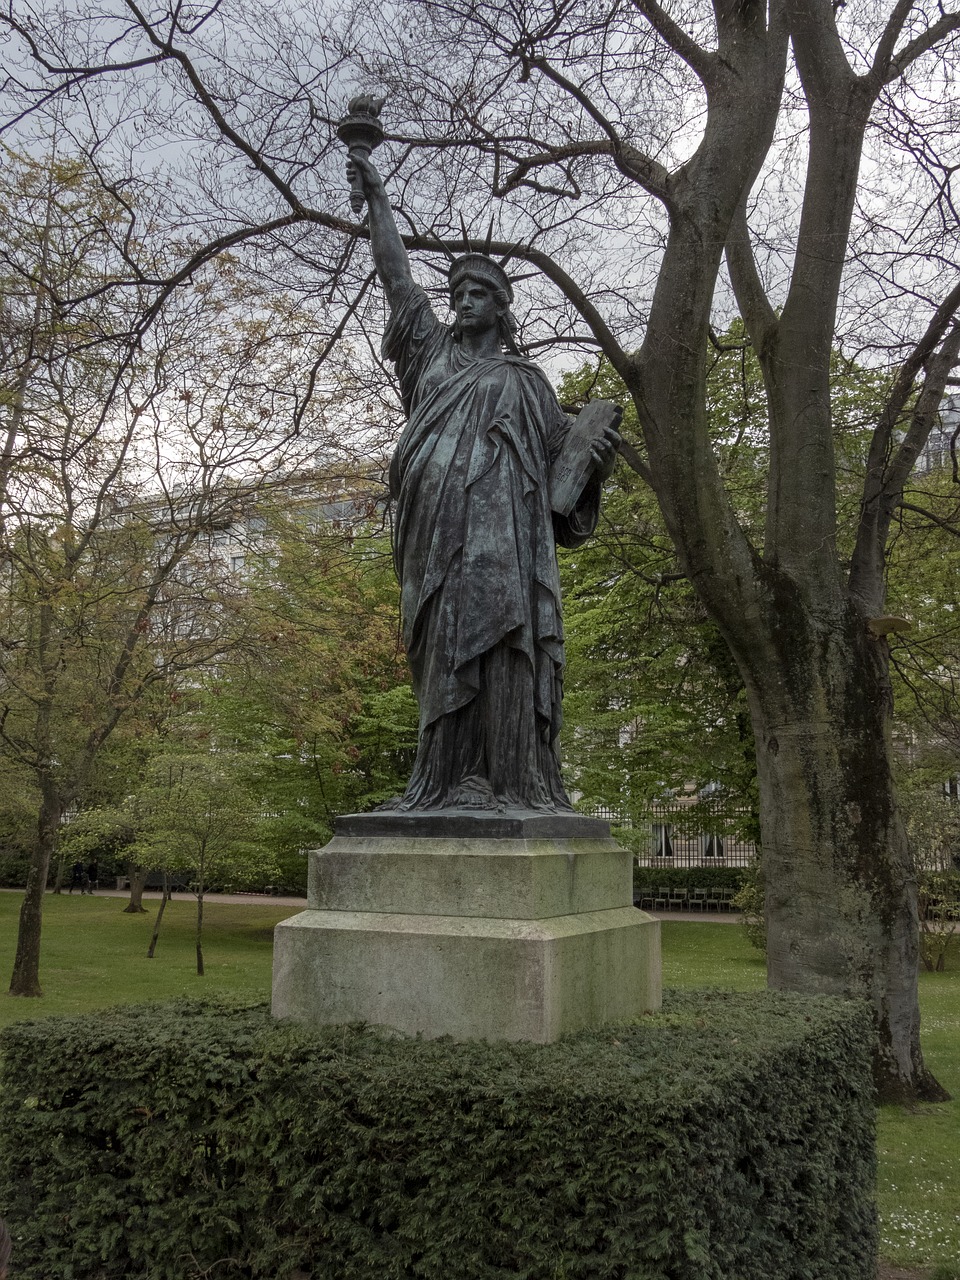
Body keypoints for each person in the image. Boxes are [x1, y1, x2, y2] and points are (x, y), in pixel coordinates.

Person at [348, 154, 620, 812]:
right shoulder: (429, 353)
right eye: (458, 293)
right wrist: (378, 198)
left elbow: (564, 475)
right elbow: (395, 276)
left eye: (477, 294)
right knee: (440, 646)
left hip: (501, 545)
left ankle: (504, 781)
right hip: (430, 530)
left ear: (502, 308)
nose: (463, 301)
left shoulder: (526, 383)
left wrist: (595, 455)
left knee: (501, 643)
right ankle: (442, 780)